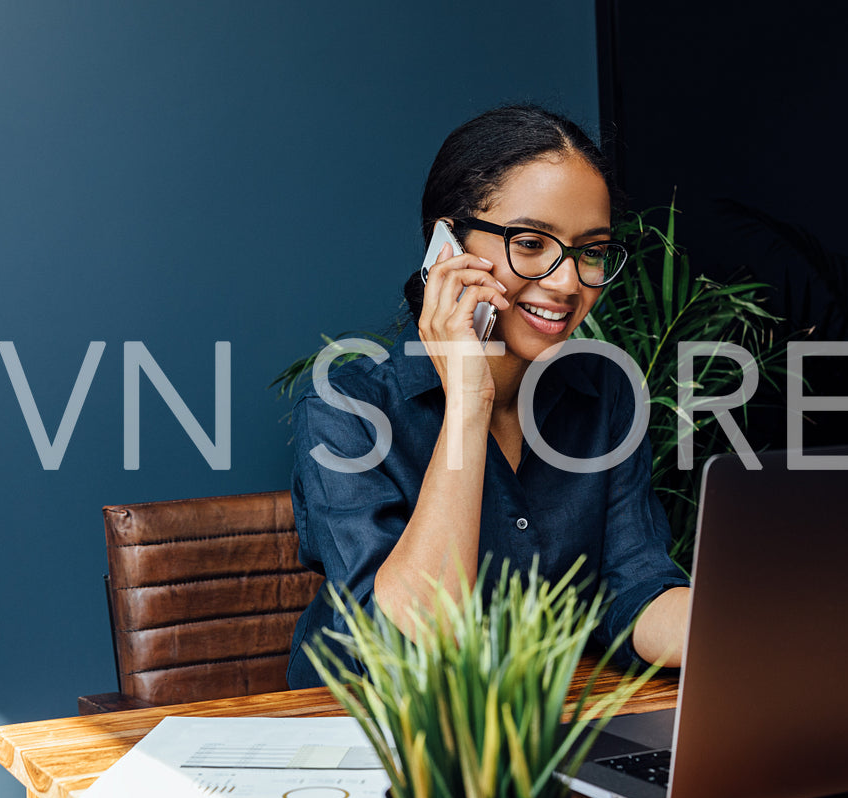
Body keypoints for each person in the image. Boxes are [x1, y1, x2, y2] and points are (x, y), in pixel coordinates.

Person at [286, 105, 691, 688]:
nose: (568, 282)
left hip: (535, 731)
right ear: (446, 246)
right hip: (364, 735)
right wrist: (467, 404)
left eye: (592, 250)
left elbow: (635, 590)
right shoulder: (345, 412)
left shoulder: (605, 395)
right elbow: (408, 645)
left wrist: (753, 626)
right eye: (531, 243)